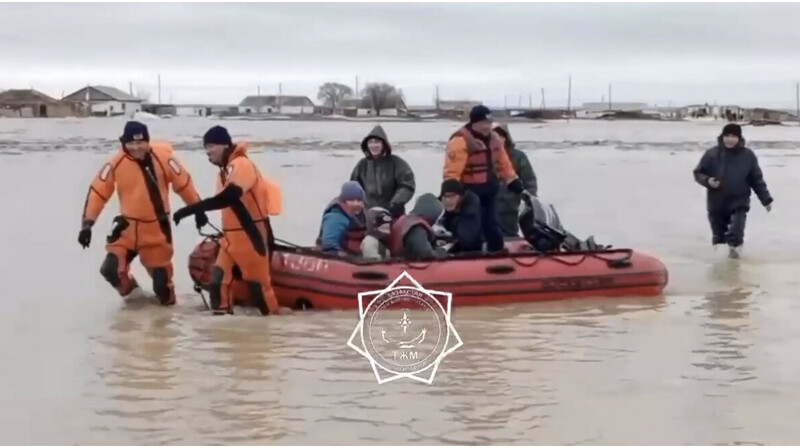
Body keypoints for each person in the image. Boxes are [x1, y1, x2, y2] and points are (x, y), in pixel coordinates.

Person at [78, 121, 206, 306]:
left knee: (163, 288)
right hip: (127, 229)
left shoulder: (164, 159)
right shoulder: (115, 163)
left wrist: (198, 210)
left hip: (156, 231)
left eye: (141, 143)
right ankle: (135, 300)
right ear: (123, 143)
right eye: (131, 143)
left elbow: (184, 184)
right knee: (110, 270)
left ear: (148, 141)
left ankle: (165, 322)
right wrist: (87, 225)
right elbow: (98, 192)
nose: (137, 148)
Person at [172, 125, 280, 315]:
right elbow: (225, 206)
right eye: (205, 148)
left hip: (251, 237)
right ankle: (223, 333)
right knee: (218, 283)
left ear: (224, 145)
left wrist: (190, 210)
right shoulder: (224, 171)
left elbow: (229, 197)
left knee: (259, 289)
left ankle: (272, 329)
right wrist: (200, 216)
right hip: (229, 239)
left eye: (211, 146)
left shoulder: (242, 165)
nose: (207, 152)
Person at [443, 105, 525, 253]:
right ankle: (469, 252)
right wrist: (450, 194)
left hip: (489, 189)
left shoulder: (494, 139)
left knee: (491, 224)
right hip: (469, 192)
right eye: (484, 123)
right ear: (475, 123)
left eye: (489, 122)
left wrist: (513, 181)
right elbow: (452, 172)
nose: (487, 126)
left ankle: (496, 250)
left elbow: (503, 163)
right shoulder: (460, 141)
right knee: (472, 224)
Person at [693, 123, 773, 258]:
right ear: (722, 137)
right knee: (719, 237)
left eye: (733, 136)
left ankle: (735, 258)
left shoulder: (748, 156)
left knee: (736, 231)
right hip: (716, 202)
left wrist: (766, 200)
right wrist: (708, 181)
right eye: (727, 136)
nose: (729, 139)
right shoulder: (712, 154)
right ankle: (723, 272)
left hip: (739, 201)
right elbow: (698, 173)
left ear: (739, 138)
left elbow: (756, 180)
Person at [350, 125, 416, 217]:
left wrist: (395, 204)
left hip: (393, 214)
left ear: (384, 144)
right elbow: (353, 187)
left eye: (377, 142)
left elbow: (407, 186)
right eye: (370, 142)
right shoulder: (362, 165)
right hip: (368, 214)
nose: (373, 145)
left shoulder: (397, 164)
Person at [492, 123, 538, 237]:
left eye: (501, 137)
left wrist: (530, 202)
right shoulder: (481, 157)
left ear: (506, 138)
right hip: (487, 207)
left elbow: (530, 181)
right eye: (494, 137)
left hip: (510, 208)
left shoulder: (518, 157)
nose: (498, 140)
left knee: (510, 236)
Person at [388, 193, 446, 260]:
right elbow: (426, 255)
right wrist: (440, 252)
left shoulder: (405, 220)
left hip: (397, 266)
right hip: (406, 267)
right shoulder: (417, 227)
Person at [316, 181, 367, 256]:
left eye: (359, 200)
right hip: (341, 256)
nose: (356, 204)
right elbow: (329, 245)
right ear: (344, 201)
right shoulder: (336, 216)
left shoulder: (362, 215)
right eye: (352, 200)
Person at [439, 179, 483, 253]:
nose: (448, 200)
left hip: (472, 254)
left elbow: (467, 240)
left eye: (452, 196)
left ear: (461, 197)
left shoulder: (471, 212)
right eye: (445, 196)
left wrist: (449, 242)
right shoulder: (440, 210)